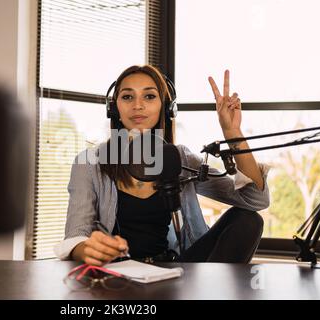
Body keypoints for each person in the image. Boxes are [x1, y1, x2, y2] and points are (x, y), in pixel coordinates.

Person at [54, 65, 270, 265]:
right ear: (114, 108)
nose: (138, 105)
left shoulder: (180, 159)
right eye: (127, 96)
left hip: (176, 271)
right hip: (116, 272)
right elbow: (76, 235)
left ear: (166, 108)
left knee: (248, 220)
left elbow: (254, 200)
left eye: (149, 96)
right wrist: (87, 249)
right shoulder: (90, 163)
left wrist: (233, 133)